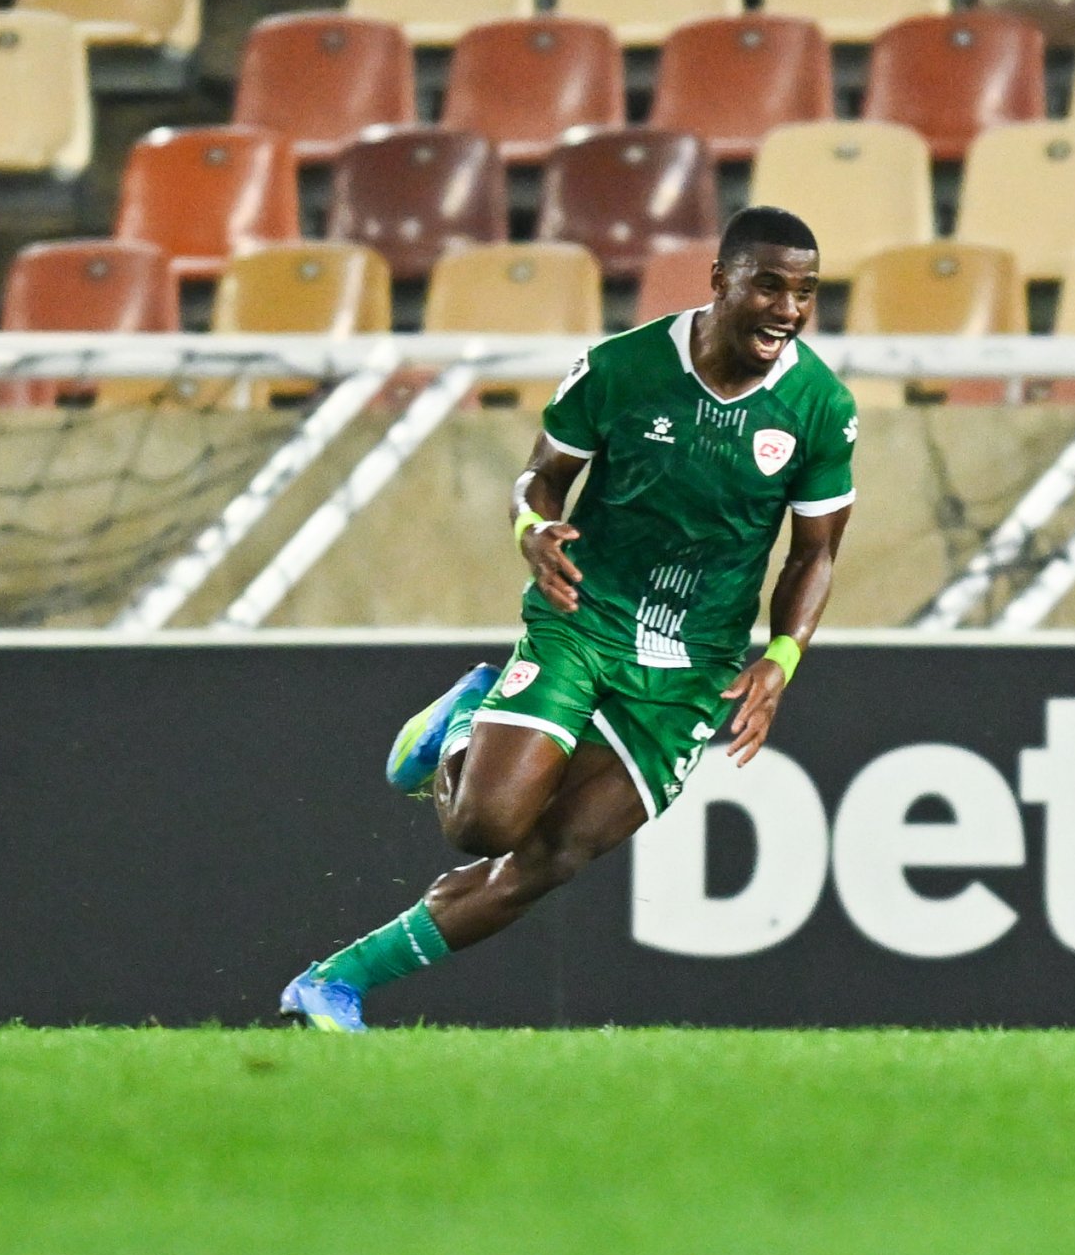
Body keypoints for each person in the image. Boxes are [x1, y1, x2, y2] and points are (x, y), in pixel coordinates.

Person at [280, 207, 858, 1030]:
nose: (787, 310)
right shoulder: (620, 369)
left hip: (693, 665)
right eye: (768, 286)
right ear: (719, 280)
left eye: (804, 292)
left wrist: (783, 657)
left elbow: (815, 553)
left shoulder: (820, 406)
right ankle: (466, 717)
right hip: (584, 617)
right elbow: (540, 477)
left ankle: (332, 983)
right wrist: (532, 530)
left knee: (553, 856)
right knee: (484, 826)